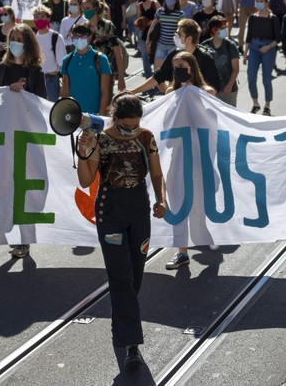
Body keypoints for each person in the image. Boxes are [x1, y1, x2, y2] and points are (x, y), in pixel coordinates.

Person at [76, 92, 166, 370]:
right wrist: (84, 152)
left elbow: (157, 174)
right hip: (110, 211)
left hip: (139, 209)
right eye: (127, 126)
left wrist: (161, 199)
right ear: (115, 119)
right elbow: (85, 179)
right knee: (120, 277)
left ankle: (122, 319)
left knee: (135, 275)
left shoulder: (146, 137)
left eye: (136, 124)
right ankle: (132, 346)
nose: (132, 130)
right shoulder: (100, 139)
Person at [0, 23, 46, 259]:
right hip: (4, 137)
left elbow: (41, 104)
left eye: (20, 39)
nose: (15, 43)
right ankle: (1, 232)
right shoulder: (0, 69)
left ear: (28, 43)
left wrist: (24, 93)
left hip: (26, 139)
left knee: (25, 188)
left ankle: (25, 240)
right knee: (2, 183)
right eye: (13, 38)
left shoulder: (36, 73)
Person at [163, 52, 217, 270]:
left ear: (192, 68)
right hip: (178, 154)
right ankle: (181, 251)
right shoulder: (170, 92)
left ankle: (205, 232)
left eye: (182, 65)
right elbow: (166, 121)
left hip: (200, 153)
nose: (178, 69)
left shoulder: (207, 92)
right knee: (177, 199)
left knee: (201, 197)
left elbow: (213, 122)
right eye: (175, 66)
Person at [131, 19, 221, 95]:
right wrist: (133, 91)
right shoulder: (174, 54)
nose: (175, 36)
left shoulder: (205, 58)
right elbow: (158, 77)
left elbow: (215, 87)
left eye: (179, 34)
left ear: (189, 39)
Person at [60, 22, 113, 115]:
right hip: (73, 114)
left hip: (95, 114)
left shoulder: (101, 59)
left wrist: (100, 115)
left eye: (83, 36)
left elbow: (105, 90)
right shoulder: (67, 60)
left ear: (89, 37)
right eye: (76, 36)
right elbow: (65, 90)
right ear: (72, 37)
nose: (79, 39)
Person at [244, 0, 280, 115]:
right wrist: (245, 54)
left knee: (266, 79)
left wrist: (268, 47)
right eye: (256, 0)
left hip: (268, 48)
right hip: (254, 47)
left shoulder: (273, 18)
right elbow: (248, 37)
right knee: (251, 77)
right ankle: (255, 103)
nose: (258, 3)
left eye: (261, 0)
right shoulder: (252, 17)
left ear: (266, 2)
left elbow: (278, 38)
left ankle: (267, 105)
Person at [82, 0, 127, 93]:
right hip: (88, 72)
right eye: (84, 8)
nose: (85, 11)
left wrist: (121, 78)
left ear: (96, 8)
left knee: (105, 102)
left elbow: (118, 54)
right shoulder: (84, 27)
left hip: (105, 71)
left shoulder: (108, 26)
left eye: (88, 8)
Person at [202, 16, 240, 106]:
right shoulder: (205, 46)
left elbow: (235, 69)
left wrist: (229, 85)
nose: (226, 30)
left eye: (226, 27)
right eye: (223, 28)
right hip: (211, 91)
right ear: (214, 30)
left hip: (228, 91)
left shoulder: (230, 45)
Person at [32, 5, 67, 102]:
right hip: (36, 79)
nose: (39, 19)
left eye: (42, 16)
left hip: (52, 79)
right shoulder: (33, 38)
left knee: (52, 109)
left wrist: (64, 85)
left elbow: (63, 64)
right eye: (36, 17)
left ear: (48, 18)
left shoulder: (56, 37)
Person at [146, 0, 185, 71]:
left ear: (176, 0)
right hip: (161, 45)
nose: (169, 0)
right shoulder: (160, 11)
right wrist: (148, 41)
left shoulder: (180, 14)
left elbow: (183, 29)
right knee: (157, 71)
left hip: (173, 46)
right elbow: (152, 27)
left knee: (172, 72)